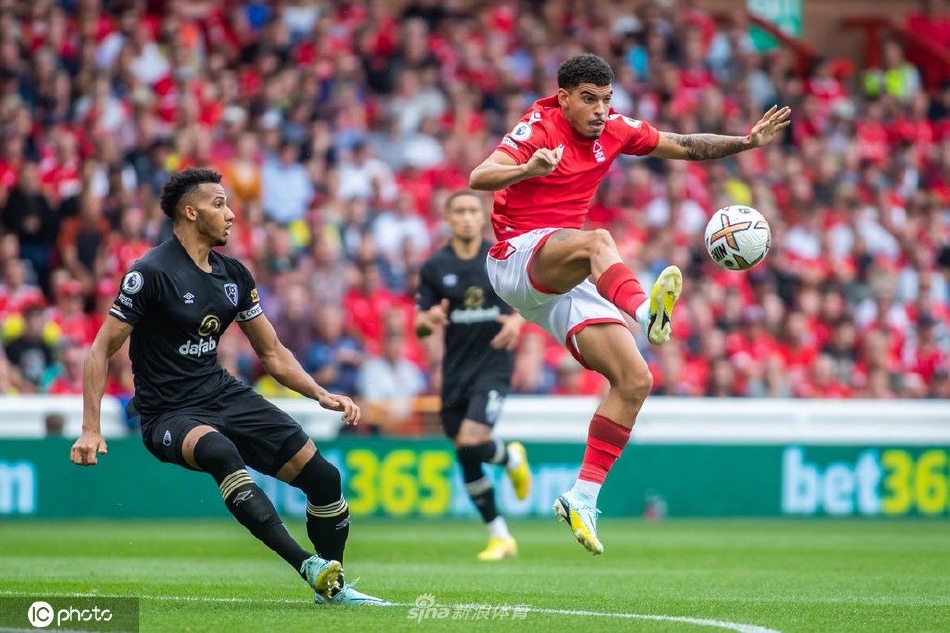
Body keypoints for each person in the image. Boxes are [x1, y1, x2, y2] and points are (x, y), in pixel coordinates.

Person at [469, 53, 790, 555]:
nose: (600, 110)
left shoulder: (616, 129)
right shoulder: (539, 127)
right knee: (598, 241)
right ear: (564, 98)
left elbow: (684, 144)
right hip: (515, 256)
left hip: (560, 273)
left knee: (636, 379)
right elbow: (479, 176)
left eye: (606, 99)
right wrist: (528, 168)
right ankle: (645, 314)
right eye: (589, 100)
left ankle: (581, 497)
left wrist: (746, 142)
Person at [69, 168, 388, 605]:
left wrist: (319, 393)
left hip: (222, 394)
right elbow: (100, 349)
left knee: (325, 478)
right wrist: (90, 428)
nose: (231, 214)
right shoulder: (150, 273)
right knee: (221, 452)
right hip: (168, 412)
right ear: (190, 212)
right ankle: (308, 566)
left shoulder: (234, 275)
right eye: (219, 204)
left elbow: (272, 353)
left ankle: (333, 589)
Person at [415, 191, 531, 561]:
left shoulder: (500, 257)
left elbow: (533, 299)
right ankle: (500, 536)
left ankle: (512, 460)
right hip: (455, 371)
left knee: (470, 440)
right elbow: (419, 324)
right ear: (448, 218)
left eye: (472, 211)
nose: (466, 217)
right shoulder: (434, 266)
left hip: (493, 365)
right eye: (459, 211)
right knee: (465, 454)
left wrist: (517, 321)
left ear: (482, 218)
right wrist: (428, 320)